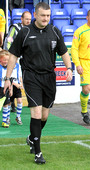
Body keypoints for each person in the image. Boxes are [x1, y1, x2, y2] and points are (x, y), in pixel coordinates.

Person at [4, 2, 73, 164]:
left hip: (49, 77)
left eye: (48, 16)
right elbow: (13, 56)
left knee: (44, 115)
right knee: (35, 113)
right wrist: (8, 78)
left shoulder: (55, 31)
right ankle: (38, 152)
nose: (46, 18)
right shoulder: (25, 32)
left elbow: (64, 52)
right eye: (43, 15)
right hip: (31, 76)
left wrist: (69, 68)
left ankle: (31, 138)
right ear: (35, 15)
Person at [4, 11, 32, 112]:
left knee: (22, 81)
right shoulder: (15, 28)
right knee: (12, 80)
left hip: (26, 59)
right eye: (26, 19)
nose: (28, 21)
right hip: (15, 59)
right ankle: (9, 103)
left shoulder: (31, 29)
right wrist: (8, 57)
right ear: (21, 19)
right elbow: (8, 41)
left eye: (30, 19)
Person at [0, 50, 11, 128]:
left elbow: (11, 79)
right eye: (4, 60)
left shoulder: (9, 69)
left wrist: (11, 88)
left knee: (6, 104)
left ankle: (4, 121)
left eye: (7, 60)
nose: (6, 62)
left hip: (6, 89)